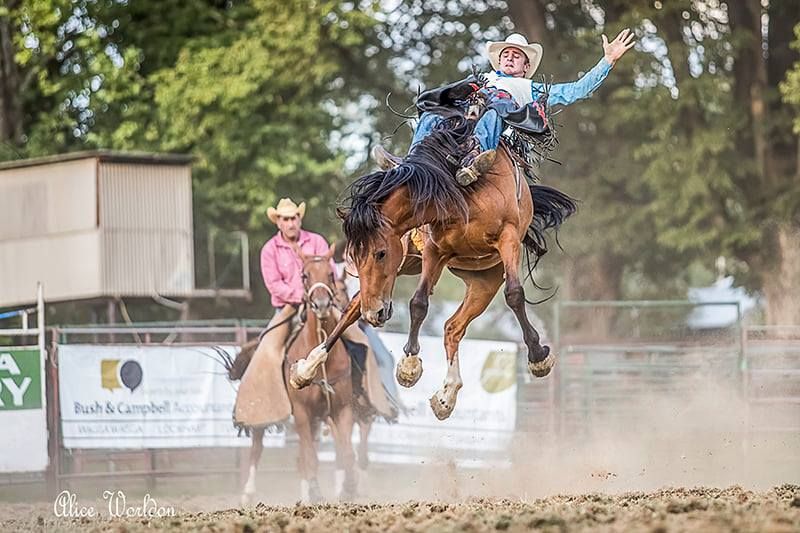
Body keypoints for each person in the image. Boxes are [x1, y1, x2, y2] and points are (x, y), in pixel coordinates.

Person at [373, 29, 636, 185]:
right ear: (498, 62)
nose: (510, 57)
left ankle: (474, 163)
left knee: (494, 110)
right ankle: (410, 163)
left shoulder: (531, 88)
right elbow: (449, 96)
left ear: (525, 67)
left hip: (494, 129)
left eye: (516, 55)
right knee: (432, 112)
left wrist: (607, 61)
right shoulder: (480, 79)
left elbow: (576, 90)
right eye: (506, 54)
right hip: (460, 122)